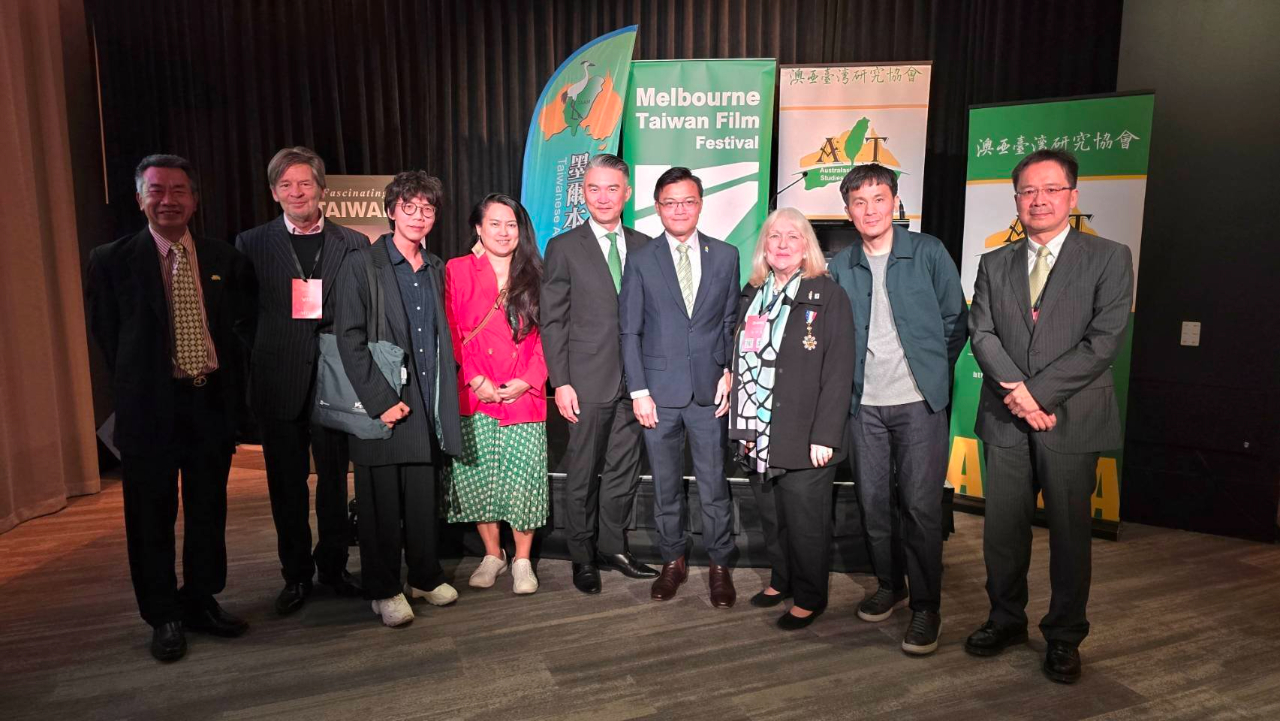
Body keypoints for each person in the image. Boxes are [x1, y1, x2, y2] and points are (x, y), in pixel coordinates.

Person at [964, 149, 1133, 683]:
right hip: (1005, 419)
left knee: (1070, 534)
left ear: (1072, 196)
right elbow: (981, 332)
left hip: (1072, 417)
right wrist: (1017, 394)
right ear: (1016, 199)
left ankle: (1064, 634)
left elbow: (1104, 340)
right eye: (1028, 191)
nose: (1039, 200)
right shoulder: (994, 262)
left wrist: (1035, 395)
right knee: (1002, 533)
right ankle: (1005, 618)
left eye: (1051, 189)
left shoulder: (1109, 256)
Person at [86, 154, 256, 662]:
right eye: (156, 190)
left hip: (209, 403)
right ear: (140, 198)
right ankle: (163, 614)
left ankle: (201, 599)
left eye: (179, 190)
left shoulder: (224, 258)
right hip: (149, 409)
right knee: (149, 516)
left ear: (194, 200)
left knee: (208, 509)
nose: (168, 200)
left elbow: (239, 329)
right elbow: (107, 337)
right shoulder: (110, 260)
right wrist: (144, 383)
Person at [828, 163, 968, 655]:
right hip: (863, 405)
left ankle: (927, 606)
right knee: (873, 502)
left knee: (921, 507)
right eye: (859, 202)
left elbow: (955, 320)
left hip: (918, 404)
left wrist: (928, 374)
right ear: (848, 211)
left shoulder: (928, 252)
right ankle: (891, 584)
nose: (870, 210)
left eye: (879, 199)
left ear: (895, 203)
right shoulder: (841, 266)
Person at [235, 147, 366, 615]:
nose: (297, 192)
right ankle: (295, 575)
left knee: (333, 481)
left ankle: (333, 567)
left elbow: (362, 309)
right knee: (285, 485)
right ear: (274, 193)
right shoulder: (251, 243)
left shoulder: (354, 242)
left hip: (335, 379)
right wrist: (275, 348)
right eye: (286, 185)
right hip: (279, 379)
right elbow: (241, 315)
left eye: (305, 183)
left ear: (322, 190)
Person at [332, 171, 463, 627]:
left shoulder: (436, 267)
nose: (418, 216)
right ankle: (384, 588)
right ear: (391, 211)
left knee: (423, 501)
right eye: (409, 207)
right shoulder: (362, 264)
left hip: (427, 402)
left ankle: (424, 576)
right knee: (380, 507)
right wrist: (379, 399)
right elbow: (347, 338)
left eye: (427, 209)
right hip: (384, 403)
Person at [619, 166, 741, 607]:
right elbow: (629, 330)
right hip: (658, 396)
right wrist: (639, 392)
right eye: (670, 202)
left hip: (709, 393)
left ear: (700, 204)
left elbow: (730, 322)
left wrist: (729, 369)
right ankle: (673, 560)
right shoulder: (641, 259)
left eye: (687, 201)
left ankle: (720, 564)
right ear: (657, 208)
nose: (679, 209)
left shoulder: (726, 255)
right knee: (666, 485)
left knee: (714, 485)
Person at [729, 208, 855, 629]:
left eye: (793, 237)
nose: (782, 244)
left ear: (806, 248)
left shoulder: (828, 295)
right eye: (774, 236)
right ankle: (781, 579)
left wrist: (826, 435)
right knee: (773, 516)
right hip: (758, 431)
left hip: (806, 434)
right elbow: (740, 356)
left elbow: (839, 370)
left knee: (806, 522)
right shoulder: (753, 293)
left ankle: (809, 596)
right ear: (763, 247)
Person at [540, 154, 657, 595]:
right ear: (583, 193)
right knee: (583, 473)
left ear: (627, 193)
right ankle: (582, 556)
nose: (603, 197)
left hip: (637, 383)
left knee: (623, 472)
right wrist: (561, 381)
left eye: (612, 188)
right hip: (586, 380)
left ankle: (613, 547)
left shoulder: (647, 245)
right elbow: (553, 320)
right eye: (594, 189)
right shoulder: (563, 247)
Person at [443, 194, 549, 595]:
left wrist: (530, 378)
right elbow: (451, 329)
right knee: (479, 478)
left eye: (511, 224)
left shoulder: (537, 272)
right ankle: (493, 554)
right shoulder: (457, 270)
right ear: (478, 228)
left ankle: (522, 559)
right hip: (475, 393)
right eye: (494, 224)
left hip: (524, 393)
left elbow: (552, 333)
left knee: (523, 479)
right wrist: (474, 378)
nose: (504, 232)